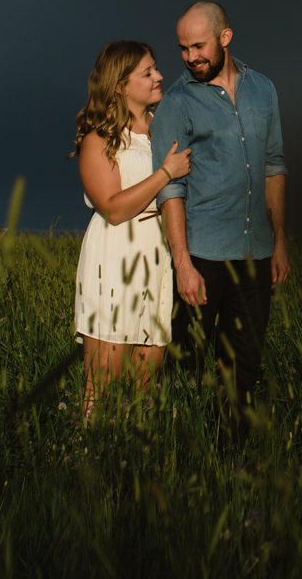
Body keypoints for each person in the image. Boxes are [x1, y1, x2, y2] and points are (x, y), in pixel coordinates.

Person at [151, 1, 288, 429]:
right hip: (203, 259)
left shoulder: (264, 89)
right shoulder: (176, 103)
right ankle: (182, 465)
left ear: (224, 38)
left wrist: (280, 240)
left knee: (242, 372)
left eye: (198, 46)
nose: (191, 57)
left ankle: (231, 472)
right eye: (182, 48)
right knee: (185, 372)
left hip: (256, 255)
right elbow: (171, 190)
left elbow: (273, 164)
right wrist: (183, 264)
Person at [72, 40, 193, 420]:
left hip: (157, 257)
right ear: (120, 85)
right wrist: (165, 173)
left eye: (156, 68)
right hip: (114, 255)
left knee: (148, 382)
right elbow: (111, 208)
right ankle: (84, 457)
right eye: (147, 72)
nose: (159, 76)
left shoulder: (165, 129)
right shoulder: (99, 137)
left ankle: (134, 465)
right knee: (102, 380)